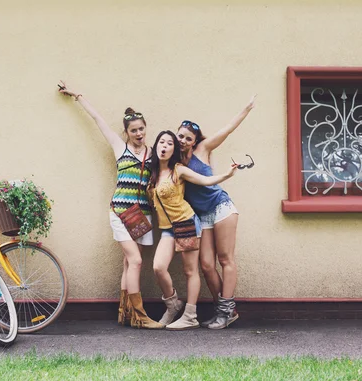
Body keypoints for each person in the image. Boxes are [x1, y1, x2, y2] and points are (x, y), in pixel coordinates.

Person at [59, 81, 163, 329]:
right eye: (134, 130)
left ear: (146, 129)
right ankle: (140, 316)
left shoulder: (152, 153)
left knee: (129, 263)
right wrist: (78, 96)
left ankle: (125, 312)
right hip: (121, 212)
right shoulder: (120, 147)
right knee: (136, 261)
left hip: (142, 215)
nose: (138, 133)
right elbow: (97, 119)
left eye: (141, 129)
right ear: (126, 132)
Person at [177, 95, 256, 329]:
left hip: (221, 207)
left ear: (194, 141)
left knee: (225, 259)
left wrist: (246, 109)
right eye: (180, 136)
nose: (182, 140)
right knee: (206, 265)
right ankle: (224, 310)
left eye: (187, 138)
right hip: (203, 216)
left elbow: (227, 130)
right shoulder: (174, 159)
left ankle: (225, 312)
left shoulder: (202, 149)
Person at [148, 130, 237, 330]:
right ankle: (172, 305)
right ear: (156, 146)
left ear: (174, 150)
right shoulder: (152, 173)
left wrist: (227, 174)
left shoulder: (178, 170)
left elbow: (205, 180)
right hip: (168, 229)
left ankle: (190, 315)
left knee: (191, 271)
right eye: (161, 142)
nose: (164, 146)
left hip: (186, 223)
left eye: (169, 143)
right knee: (158, 267)